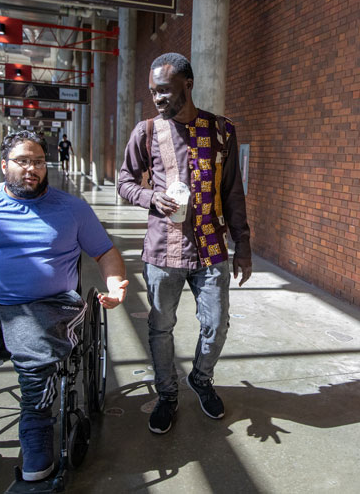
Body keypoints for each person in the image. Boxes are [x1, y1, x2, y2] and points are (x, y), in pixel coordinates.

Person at [0, 130, 128, 482]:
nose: (32, 168)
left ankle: (35, 426)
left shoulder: (72, 208)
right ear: (4, 165)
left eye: (38, 162)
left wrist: (114, 285)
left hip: (49, 303)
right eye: (22, 161)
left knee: (36, 345)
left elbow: (105, 252)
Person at [118, 52, 252, 435]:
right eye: (152, 92)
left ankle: (202, 378)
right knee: (161, 327)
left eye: (164, 91)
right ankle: (167, 395)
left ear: (187, 85)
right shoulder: (146, 132)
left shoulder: (222, 131)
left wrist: (242, 246)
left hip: (211, 249)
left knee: (216, 323)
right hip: (164, 251)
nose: (157, 99)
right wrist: (149, 198)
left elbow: (233, 193)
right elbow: (125, 180)